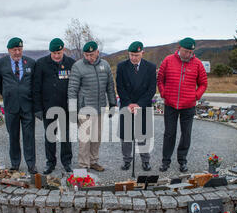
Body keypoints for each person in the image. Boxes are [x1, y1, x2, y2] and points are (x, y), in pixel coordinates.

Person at [157, 37, 208, 173]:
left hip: (188, 106)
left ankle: (182, 160)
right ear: (179, 49)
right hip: (170, 104)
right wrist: (163, 93)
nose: (188, 55)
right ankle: (165, 161)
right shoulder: (168, 60)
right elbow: (160, 79)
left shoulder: (197, 64)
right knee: (169, 133)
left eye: (191, 52)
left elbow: (203, 83)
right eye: (186, 51)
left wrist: (196, 96)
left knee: (186, 134)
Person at [67, 41, 117, 172]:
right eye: (86, 55)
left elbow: (110, 86)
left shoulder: (105, 65)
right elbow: (72, 89)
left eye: (91, 54)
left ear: (97, 52)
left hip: (99, 107)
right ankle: (83, 165)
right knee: (85, 139)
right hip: (84, 108)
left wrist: (113, 104)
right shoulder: (77, 66)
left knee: (97, 137)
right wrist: (72, 110)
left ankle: (93, 161)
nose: (89, 57)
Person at [0, 37, 38, 174]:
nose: (17, 52)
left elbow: (34, 84)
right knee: (13, 136)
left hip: (27, 107)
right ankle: (15, 164)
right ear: (9, 50)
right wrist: (10, 94)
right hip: (11, 107)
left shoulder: (31, 63)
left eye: (20, 49)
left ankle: (31, 165)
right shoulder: (0, 63)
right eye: (15, 50)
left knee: (29, 137)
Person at [34, 38, 75, 174]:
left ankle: (67, 162)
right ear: (50, 52)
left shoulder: (71, 63)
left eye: (59, 52)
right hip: (48, 107)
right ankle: (50, 162)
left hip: (65, 107)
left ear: (63, 50)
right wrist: (38, 108)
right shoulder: (41, 64)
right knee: (50, 136)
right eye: (54, 53)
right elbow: (36, 88)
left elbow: (75, 87)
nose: (56, 56)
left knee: (66, 136)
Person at [116, 41, 156, 171]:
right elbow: (120, 87)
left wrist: (139, 104)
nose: (133, 58)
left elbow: (151, 89)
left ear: (142, 53)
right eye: (131, 55)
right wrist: (129, 104)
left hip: (143, 105)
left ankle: (145, 160)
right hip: (127, 105)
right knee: (126, 136)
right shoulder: (121, 66)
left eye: (136, 55)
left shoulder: (150, 67)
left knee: (143, 134)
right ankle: (126, 160)